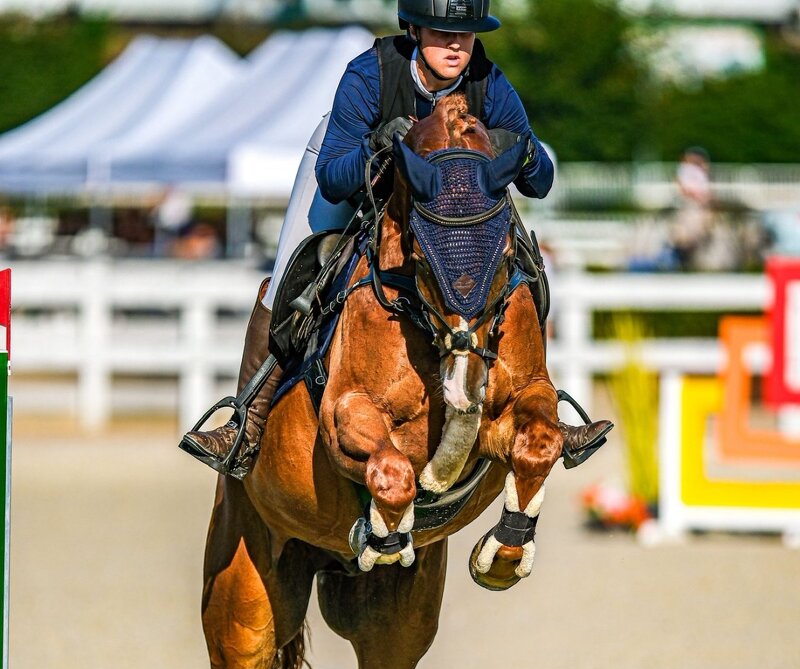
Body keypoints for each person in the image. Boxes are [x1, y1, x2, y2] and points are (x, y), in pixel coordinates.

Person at [181, 0, 612, 477]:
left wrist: (525, 151)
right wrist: (378, 143)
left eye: (466, 34)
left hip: (445, 219)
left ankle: (543, 403)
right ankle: (246, 422)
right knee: (293, 270)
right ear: (413, 28)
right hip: (355, 180)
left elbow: (541, 182)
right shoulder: (371, 75)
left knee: (524, 266)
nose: (455, 44)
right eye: (440, 31)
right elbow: (334, 179)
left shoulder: (491, 82)